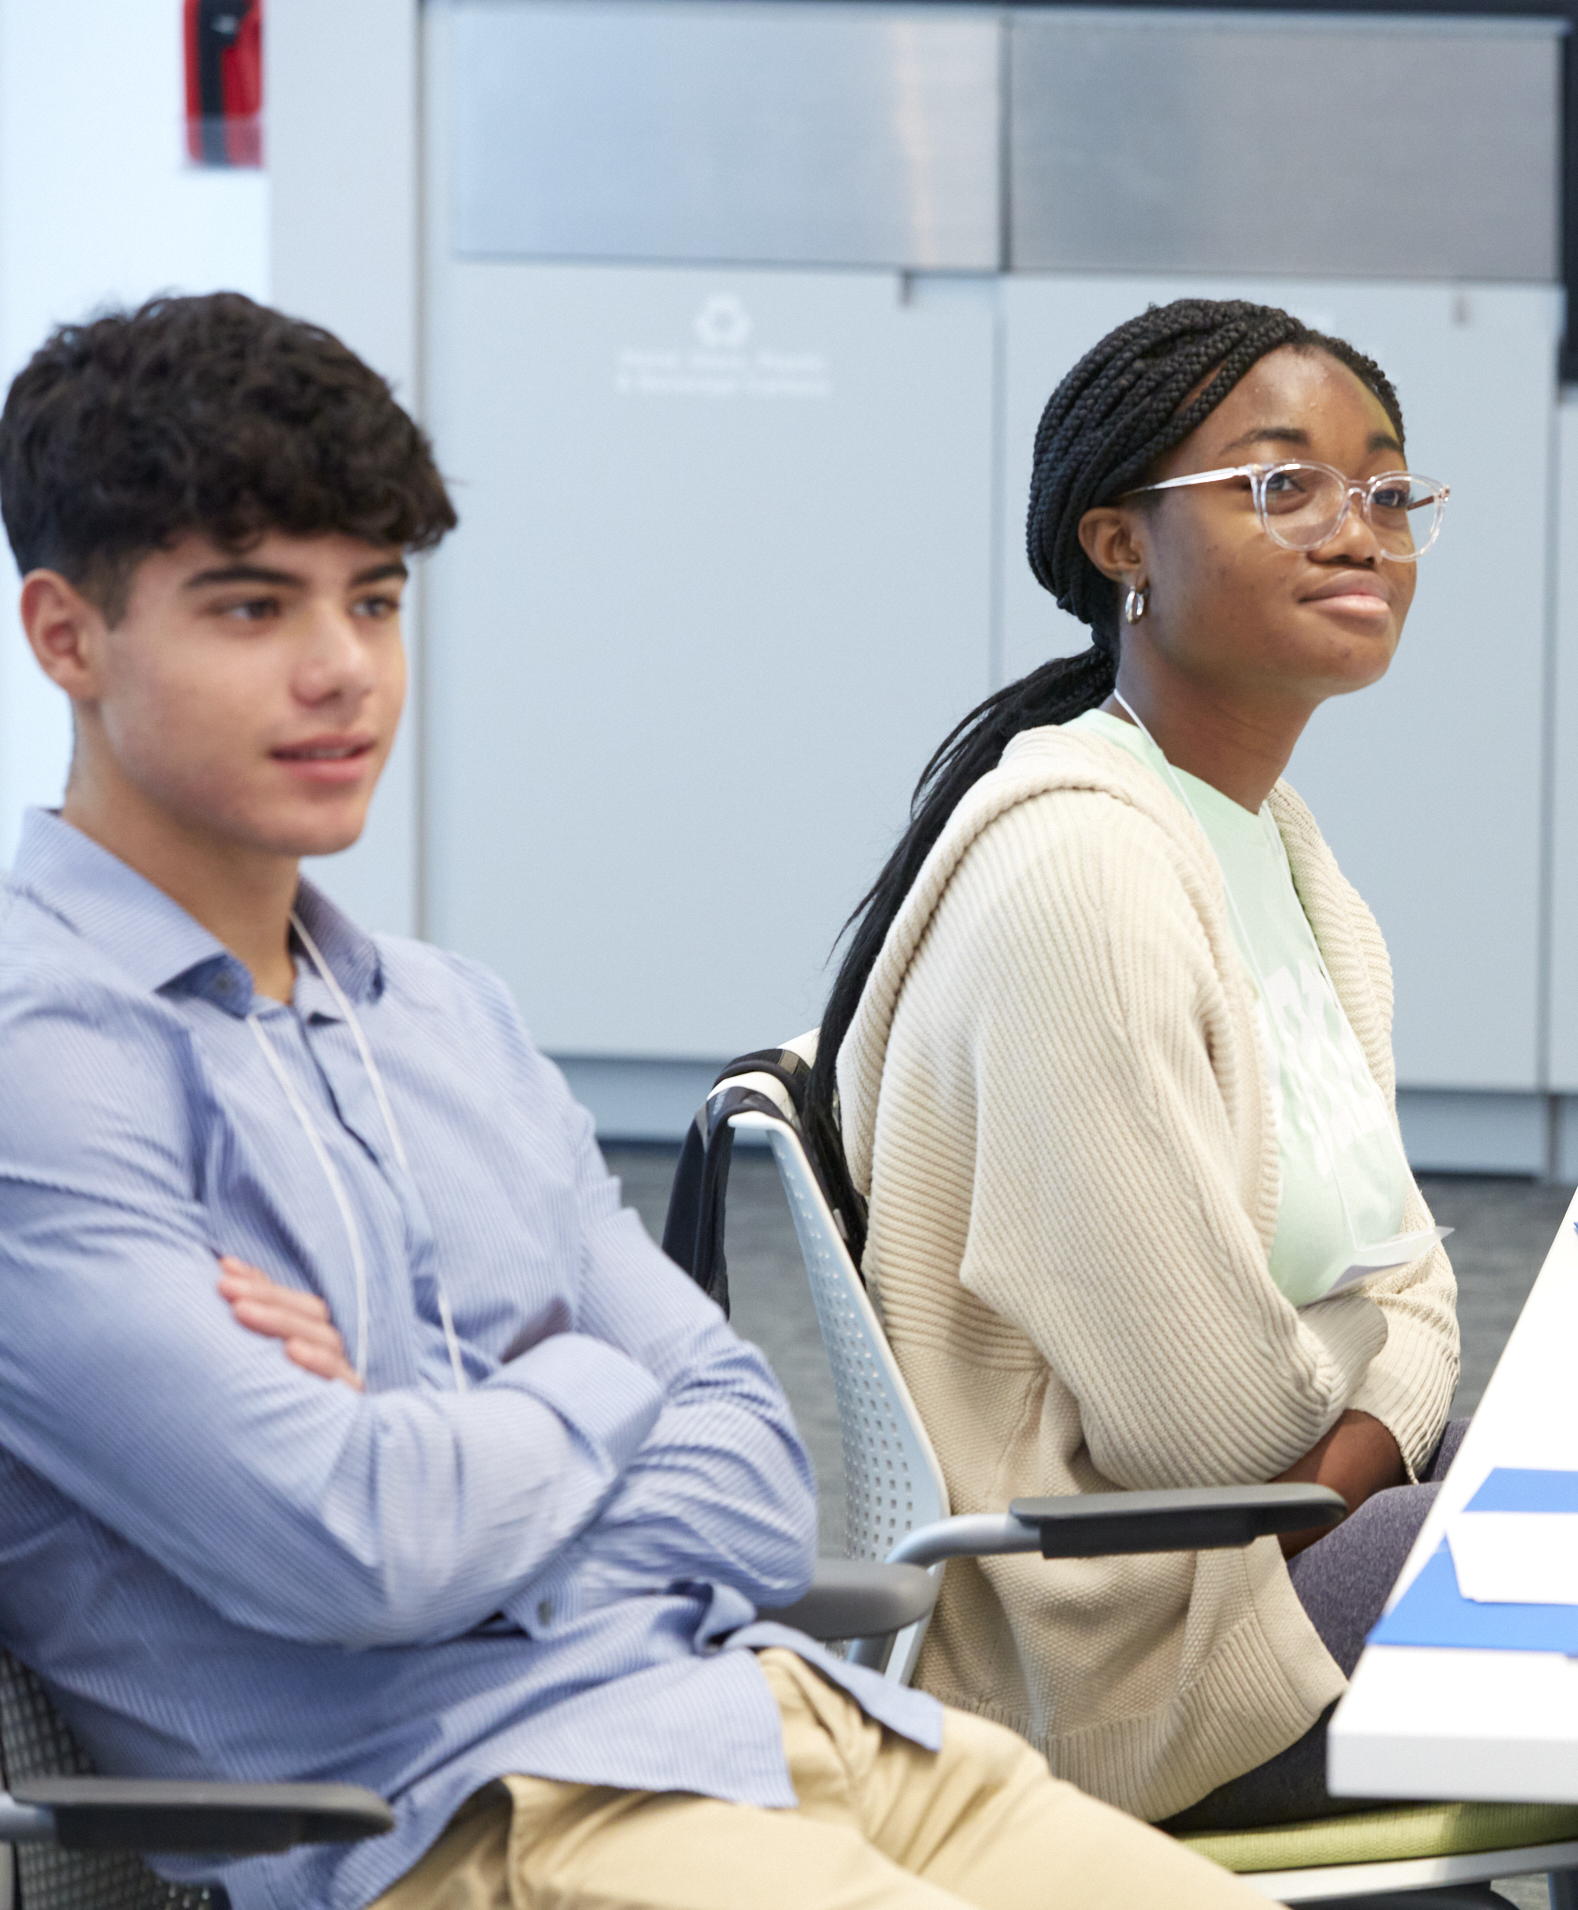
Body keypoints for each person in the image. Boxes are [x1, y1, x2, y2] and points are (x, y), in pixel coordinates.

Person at [0, 293, 1268, 1910]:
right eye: (251, 610)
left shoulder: (447, 1020)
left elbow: (752, 1473)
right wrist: (601, 1386)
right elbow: (359, 1543)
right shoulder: (41, 1074)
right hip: (479, 1812)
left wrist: (445, 1433)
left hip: (791, 1721)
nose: (341, 672)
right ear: (67, 635)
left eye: (374, 601)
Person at [801, 300, 1464, 1830]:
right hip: (1133, 1650)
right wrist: (1395, 1400)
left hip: (1267, 1540)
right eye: (1280, 485)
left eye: (1386, 490)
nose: (1357, 531)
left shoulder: (1279, 852)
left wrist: (1385, 1384)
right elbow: (1223, 1438)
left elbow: (1413, 1280)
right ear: (1122, 548)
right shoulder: (1085, 877)